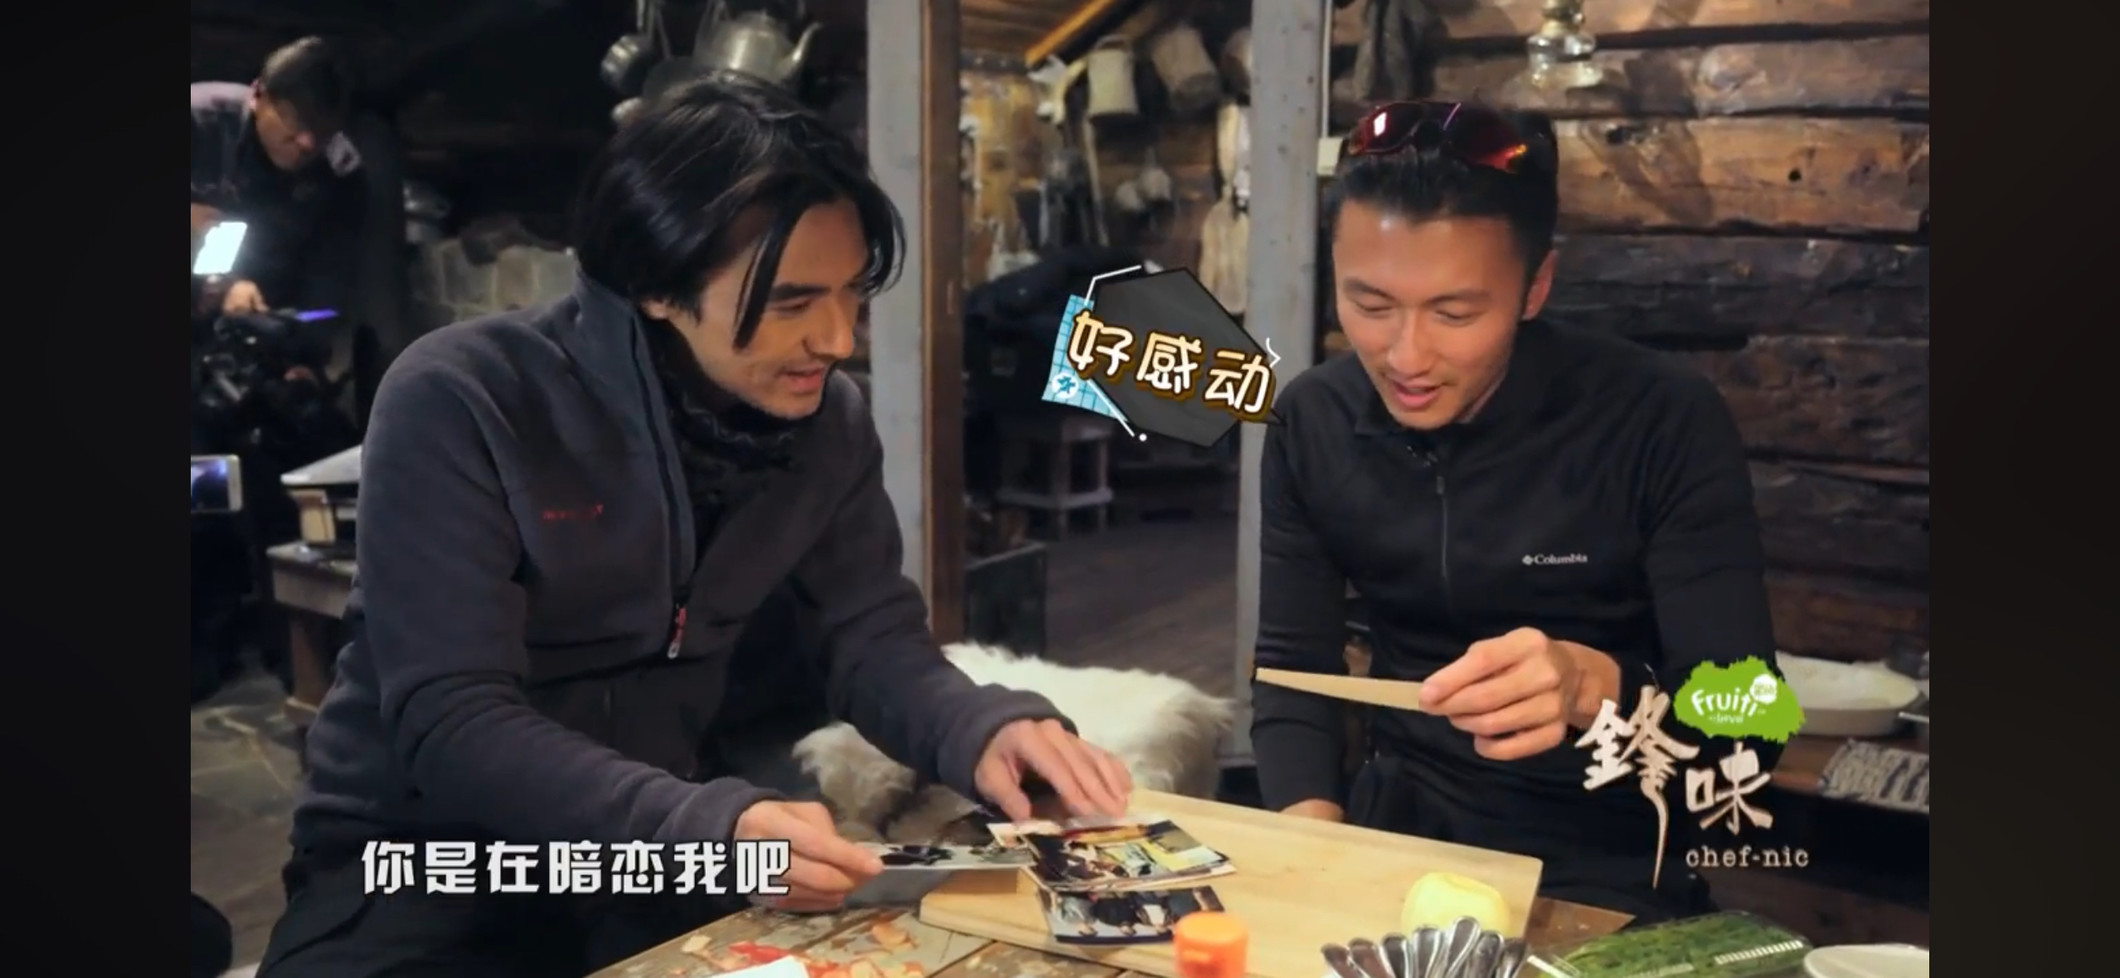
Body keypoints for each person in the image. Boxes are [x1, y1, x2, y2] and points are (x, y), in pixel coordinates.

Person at [258, 76, 1134, 977]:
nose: (837, 339)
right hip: (433, 863)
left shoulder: (827, 423)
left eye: (853, 295)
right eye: (793, 302)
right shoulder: (465, 397)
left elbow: (870, 636)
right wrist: (711, 825)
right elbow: (454, 722)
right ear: (656, 285)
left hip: (651, 858)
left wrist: (979, 727)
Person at [1249, 100, 1784, 924]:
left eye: (1455, 313)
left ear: (1535, 287)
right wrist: (1318, 852)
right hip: (1399, 842)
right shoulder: (1313, 421)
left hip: (1608, 862)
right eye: (1371, 304)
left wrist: (1592, 687)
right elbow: (1293, 676)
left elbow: (1750, 726)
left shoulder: (1660, 419)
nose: (1405, 356)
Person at [190, 36, 363, 320]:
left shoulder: (339, 171)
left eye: (323, 130)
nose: (307, 143)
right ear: (257, 95)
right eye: (295, 121)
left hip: (261, 312)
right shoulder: (198, 118)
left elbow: (329, 278)